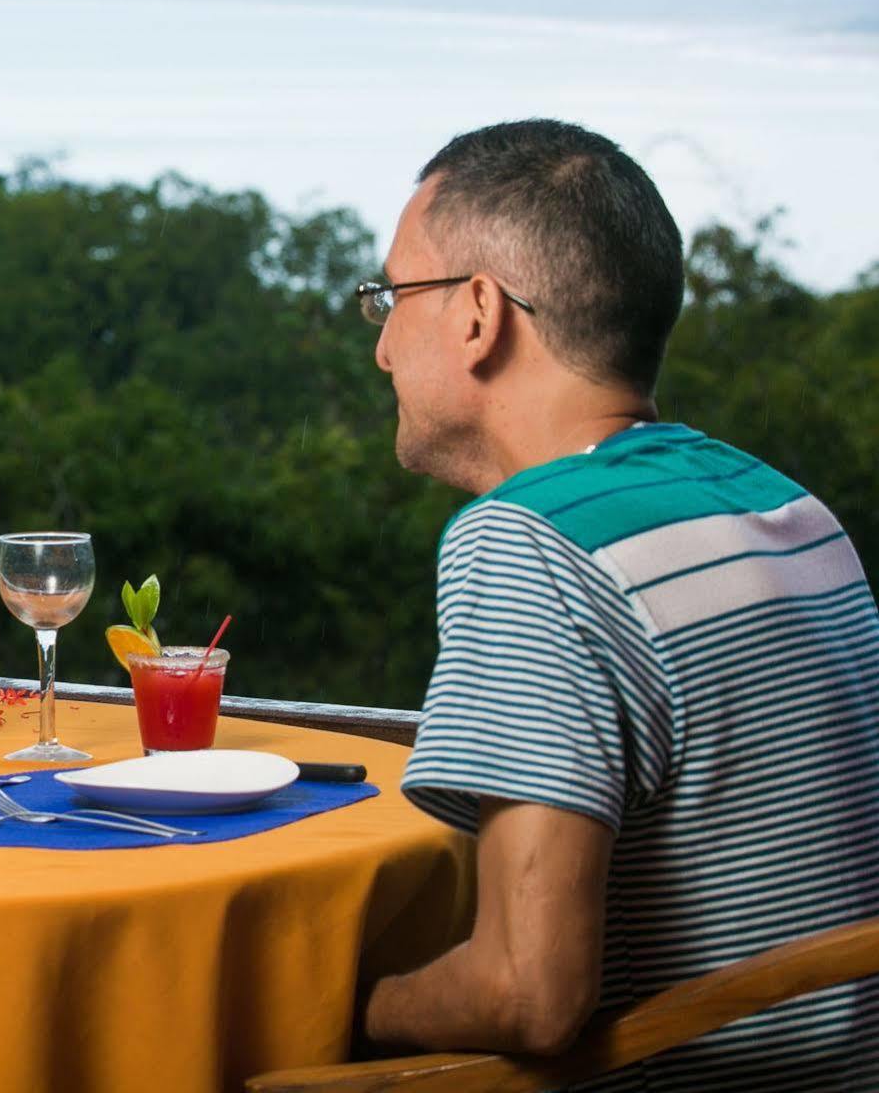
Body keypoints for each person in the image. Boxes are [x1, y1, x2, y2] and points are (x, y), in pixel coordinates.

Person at [357, 119, 879, 1085]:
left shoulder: (531, 542)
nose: (384, 346)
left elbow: (528, 996)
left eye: (392, 296)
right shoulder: (782, 503)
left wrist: (344, 1008)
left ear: (477, 313)